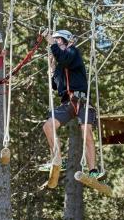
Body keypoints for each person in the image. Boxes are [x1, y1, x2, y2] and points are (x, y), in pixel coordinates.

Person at [39, 29, 105, 180]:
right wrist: (52, 70)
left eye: (58, 41)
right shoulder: (61, 63)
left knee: (86, 132)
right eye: (55, 42)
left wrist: (50, 41)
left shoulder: (73, 53)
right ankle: (57, 159)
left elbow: (65, 58)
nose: (56, 44)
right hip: (68, 103)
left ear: (67, 42)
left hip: (82, 101)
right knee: (48, 126)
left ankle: (93, 170)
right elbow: (56, 86)